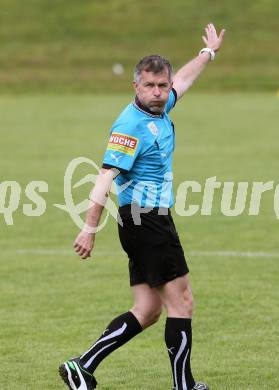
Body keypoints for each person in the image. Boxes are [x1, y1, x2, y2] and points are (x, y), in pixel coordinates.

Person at [59, 23, 225, 390]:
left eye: (162, 86)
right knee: (182, 303)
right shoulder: (130, 126)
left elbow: (185, 79)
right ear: (135, 86)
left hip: (141, 223)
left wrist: (207, 53)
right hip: (146, 222)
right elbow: (104, 178)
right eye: (149, 86)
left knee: (148, 310)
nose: (158, 93)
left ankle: (81, 366)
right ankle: (185, 386)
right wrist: (88, 227)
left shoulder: (161, 108)